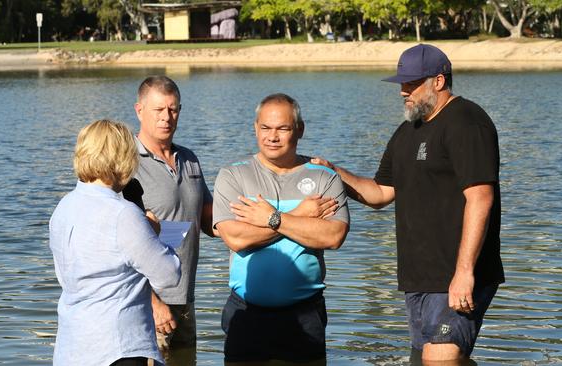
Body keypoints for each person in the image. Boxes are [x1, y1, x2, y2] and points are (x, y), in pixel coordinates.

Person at [312, 44, 505, 362]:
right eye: (401, 83)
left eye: (411, 83)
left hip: (459, 274)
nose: (403, 91)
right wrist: (334, 173)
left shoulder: (467, 122)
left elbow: (481, 197)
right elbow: (380, 193)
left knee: (439, 357)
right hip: (418, 277)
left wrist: (464, 272)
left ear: (438, 82)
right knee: (422, 358)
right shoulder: (407, 131)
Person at [212, 93, 350, 364]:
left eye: (282, 128)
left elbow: (333, 236)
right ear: (255, 128)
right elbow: (235, 238)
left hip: (305, 314)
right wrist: (299, 215)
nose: (272, 136)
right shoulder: (234, 175)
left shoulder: (324, 177)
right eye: (265, 128)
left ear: (299, 130)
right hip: (245, 314)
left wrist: (271, 218)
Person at [49, 120, 181, 366]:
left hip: (72, 346)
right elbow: (169, 274)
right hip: (117, 347)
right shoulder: (123, 214)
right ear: (122, 158)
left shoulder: (63, 207)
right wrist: (155, 232)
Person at [122, 76, 215, 357]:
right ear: (139, 110)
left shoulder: (189, 158)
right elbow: (121, 247)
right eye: (158, 110)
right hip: (147, 304)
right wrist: (154, 303)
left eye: (173, 109)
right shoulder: (127, 165)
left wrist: (273, 220)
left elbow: (208, 220)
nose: (167, 117)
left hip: (185, 298)